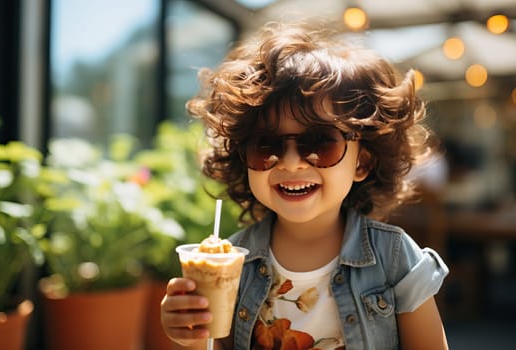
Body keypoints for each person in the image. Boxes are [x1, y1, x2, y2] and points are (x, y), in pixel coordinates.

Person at [161, 21, 449, 350]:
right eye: (266, 145)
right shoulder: (230, 266)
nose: (291, 162)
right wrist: (191, 335)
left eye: (319, 142)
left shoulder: (396, 260)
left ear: (363, 162)